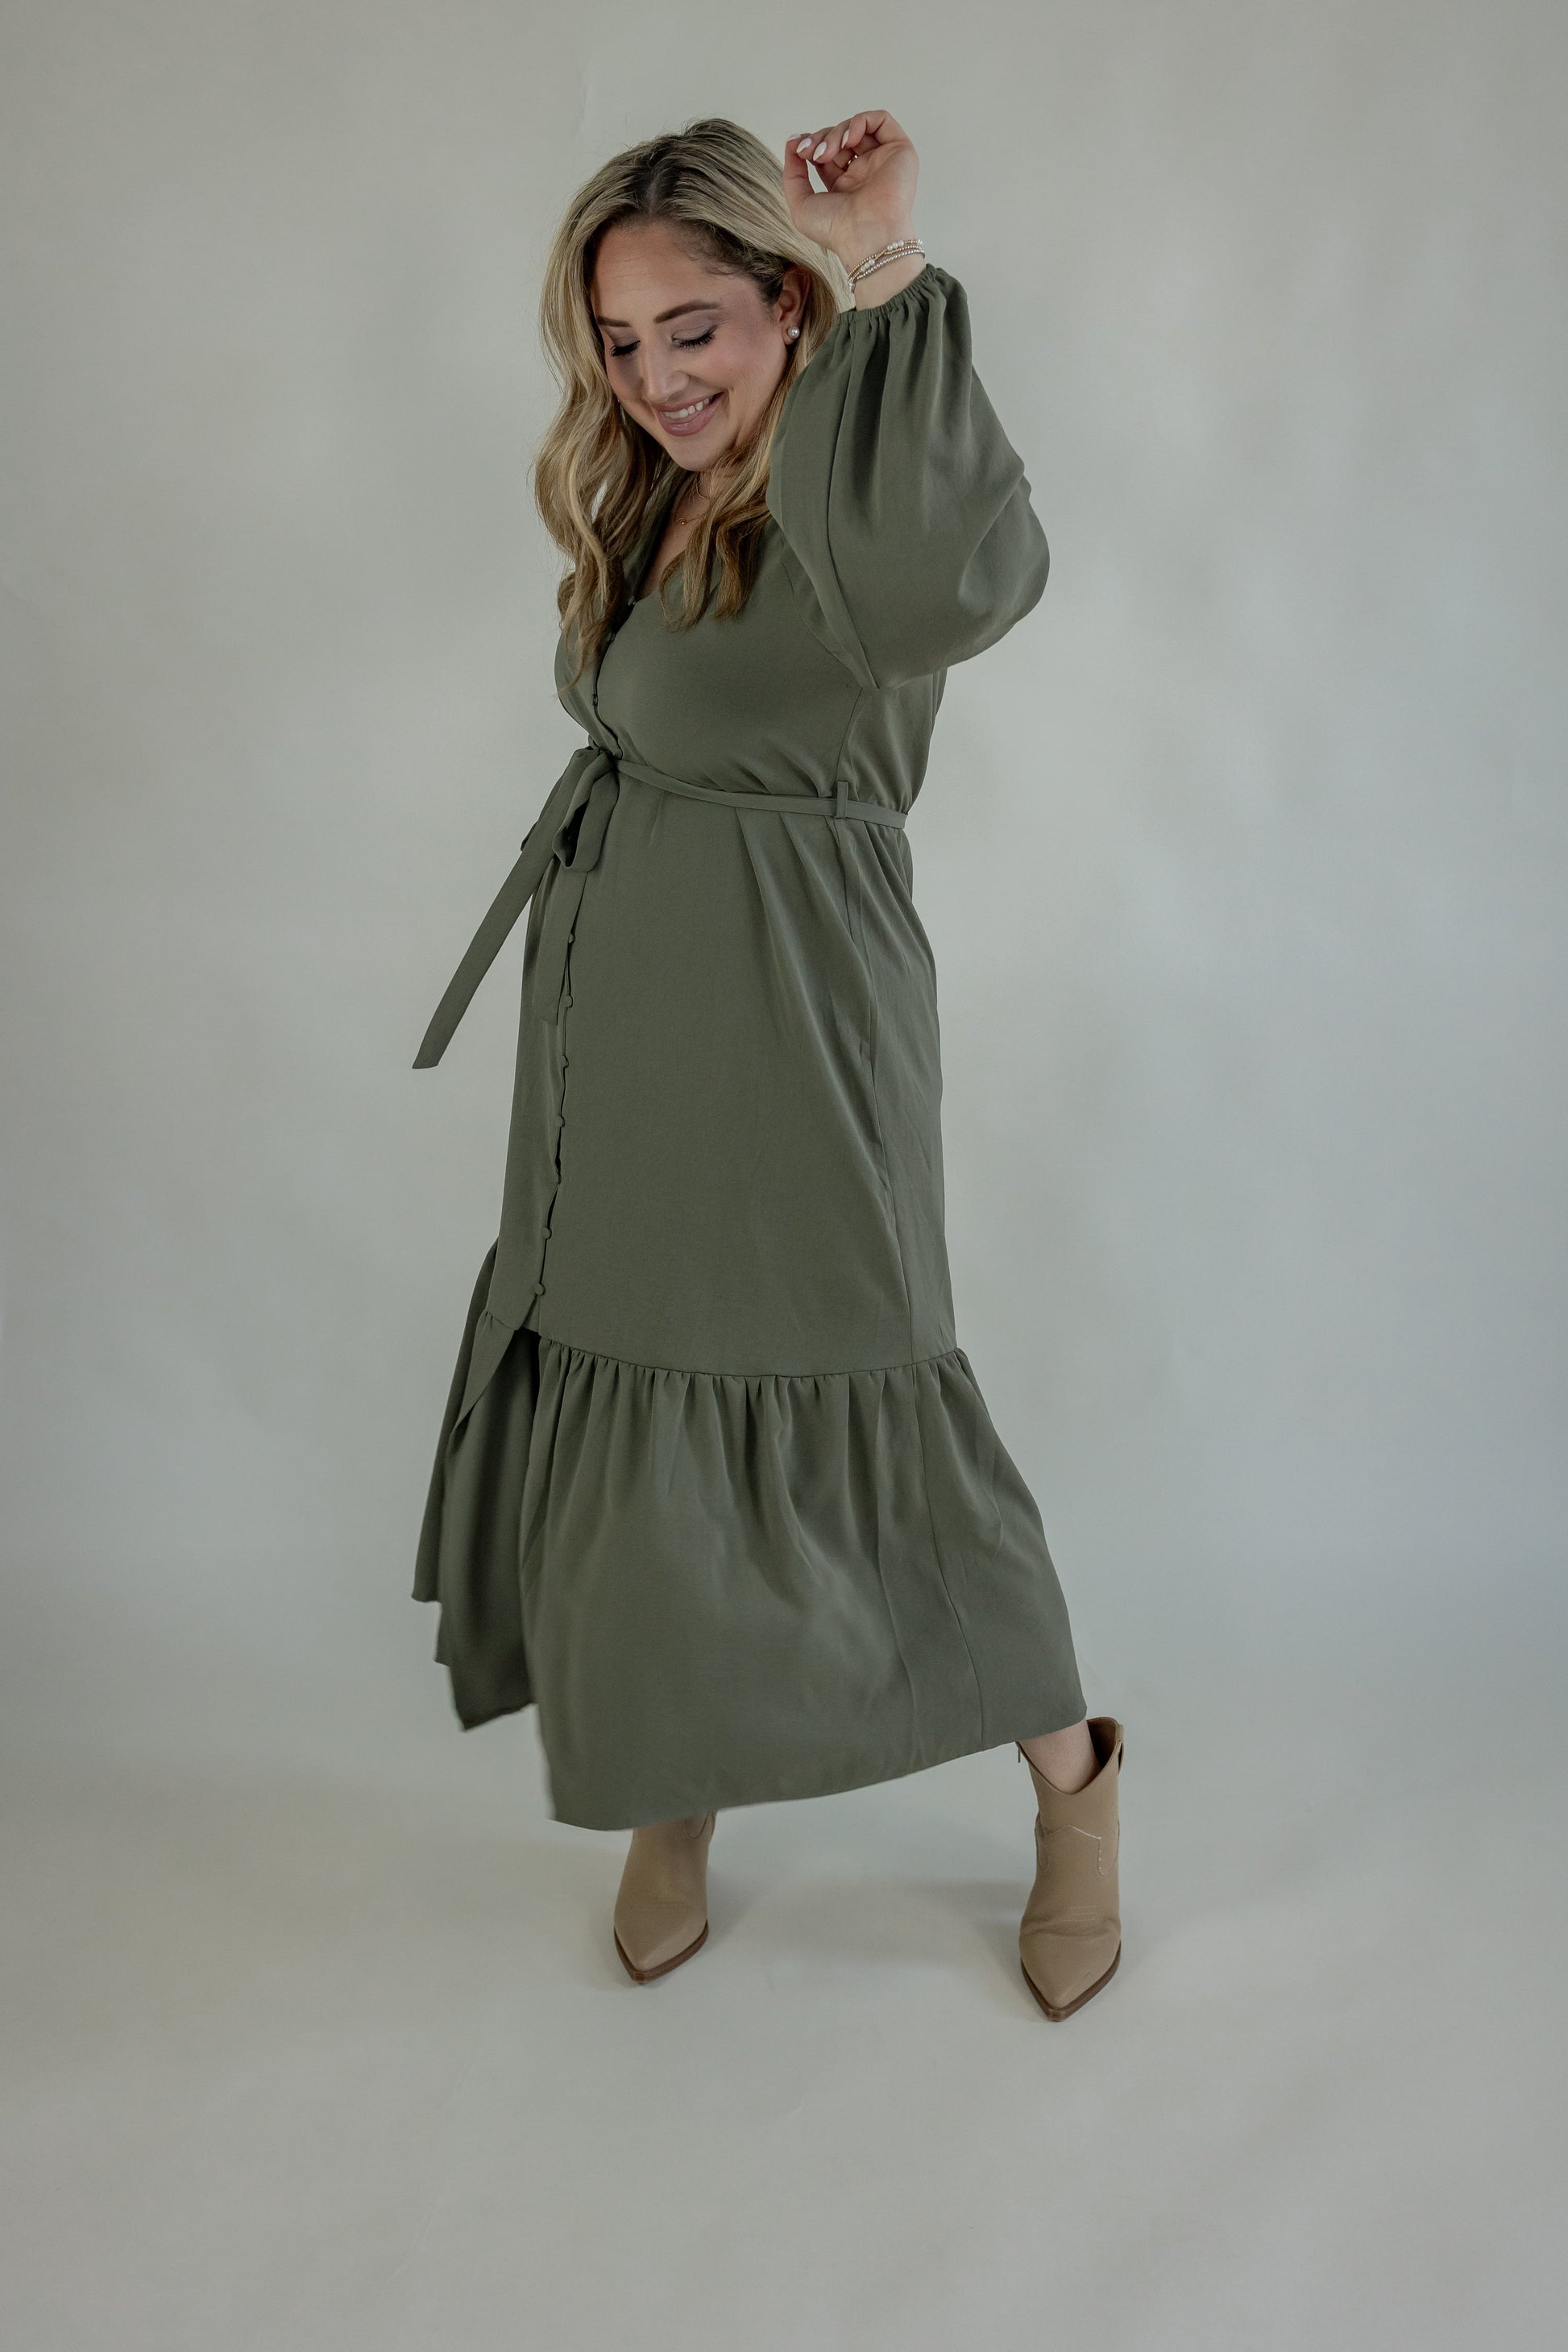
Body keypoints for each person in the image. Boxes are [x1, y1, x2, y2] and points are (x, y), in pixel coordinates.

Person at [411, 110, 1125, 2022]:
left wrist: (885, 261)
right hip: (622, 1025)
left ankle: (1074, 1781)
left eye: (695, 327)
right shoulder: (656, 489)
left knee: (875, 1397)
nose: (654, 378)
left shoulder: (855, 479)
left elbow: (962, 578)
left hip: (799, 1011)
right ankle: (677, 1782)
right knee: (638, 1401)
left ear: (787, 309)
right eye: (619, 341)